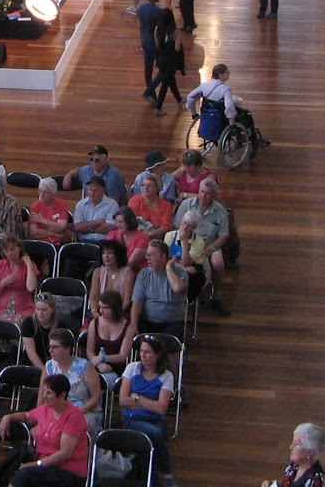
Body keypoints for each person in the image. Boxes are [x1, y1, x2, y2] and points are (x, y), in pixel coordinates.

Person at [0, 372, 92, 487]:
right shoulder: (46, 409)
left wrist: (37, 464)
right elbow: (27, 416)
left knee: (25, 475)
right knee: (7, 471)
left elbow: (64, 454)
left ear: (62, 395)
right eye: (44, 391)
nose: (43, 396)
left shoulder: (74, 417)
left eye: (49, 393)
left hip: (69, 471)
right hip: (45, 467)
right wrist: (8, 417)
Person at [119, 338, 177, 487]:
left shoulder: (166, 376)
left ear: (157, 355)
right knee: (154, 433)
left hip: (156, 419)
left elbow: (161, 408)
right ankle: (164, 472)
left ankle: (148, 480)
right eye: (141, 351)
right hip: (132, 419)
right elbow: (123, 400)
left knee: (151, 437)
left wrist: (137, 397)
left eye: (148, 352)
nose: (143, 356)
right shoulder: (132, 368)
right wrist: (151, 404)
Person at [174, 179, 231, 314]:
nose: (203, 196)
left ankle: (216, 296)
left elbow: (223, 236)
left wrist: (209, 250)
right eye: (201, 192)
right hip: (188, 242)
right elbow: (177, 227)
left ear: (214, 195)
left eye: (208, 194)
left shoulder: (220, 211)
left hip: (209, 245)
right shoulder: (186, 206)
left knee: (218, 264)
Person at [44, 328, 103, 434]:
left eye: (55, 347)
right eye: (50, 347)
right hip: (56, 411)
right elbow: (42, 396)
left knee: (68, 426)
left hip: (83, 412)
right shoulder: (49, 366)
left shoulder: (85, 366)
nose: (50, 350)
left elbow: (96, 397)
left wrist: (76, 413)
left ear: (67, 349)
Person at [130, 241, 188, 336]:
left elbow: (177, 288)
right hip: (148, 321)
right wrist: (133, 325)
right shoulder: (143, 274)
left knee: (166, 346)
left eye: (152, 255)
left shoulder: (180, 272)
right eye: (147, 255)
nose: (148, 259)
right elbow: (137, 302)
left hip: (173, 322)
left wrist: (168, 268)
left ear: (163, 257)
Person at [261, 422, 325, 487]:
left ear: (309, 452)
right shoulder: (294, 467)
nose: (291, 447)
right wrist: (271, 484)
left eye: (296, 445)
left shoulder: (316, 480)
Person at [28, 178, 72, 246]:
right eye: (40, 191)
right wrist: (54, 233)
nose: (41, 195)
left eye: (46, 192)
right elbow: (34, 231)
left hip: (58, 242)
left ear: (53, 194)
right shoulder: (35, 207)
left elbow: (61, 228)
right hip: (40, 242)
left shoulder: (62, 205)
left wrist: (43, 221)